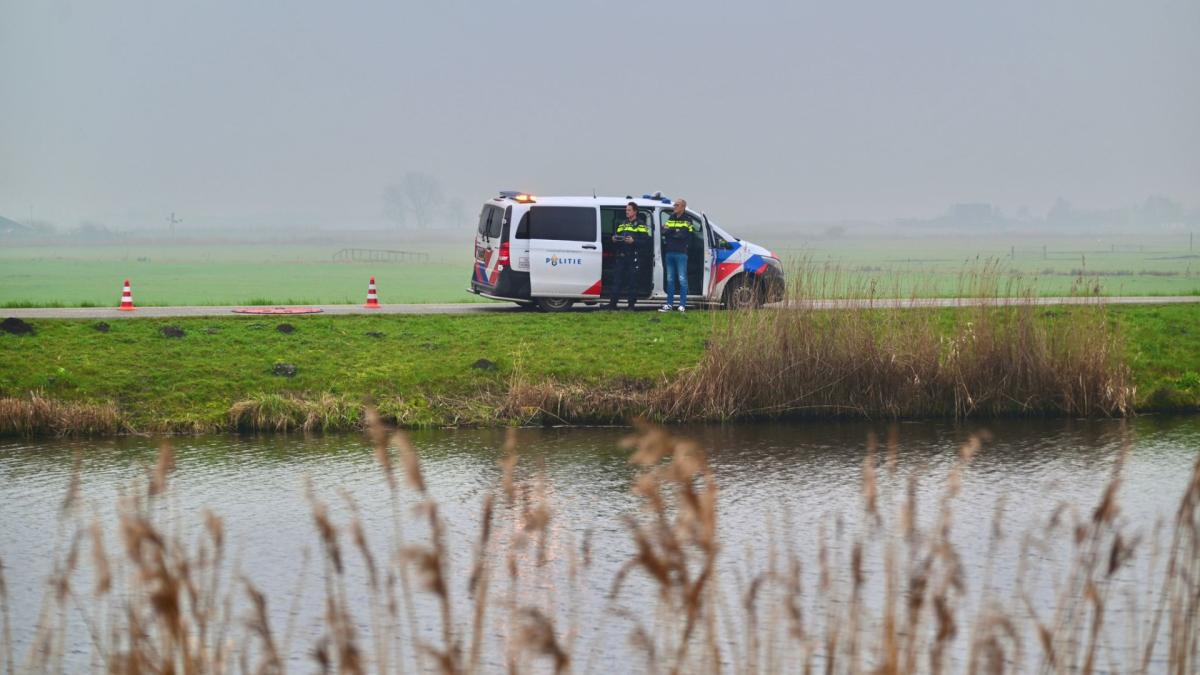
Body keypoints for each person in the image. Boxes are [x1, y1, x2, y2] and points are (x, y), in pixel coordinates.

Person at [609, 202, 650, 309]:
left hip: (633, 256)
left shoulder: (641, 224)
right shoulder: (623, 223)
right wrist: (614, 239)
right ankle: (612, 304)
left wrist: (634, 241)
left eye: (629, 210)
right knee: (617, 280)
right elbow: (617, 235)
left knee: (633, 282)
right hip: (622, 256)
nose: (627, 212)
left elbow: (645, 241)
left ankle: (631, 306)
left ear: (635, 211)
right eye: (626, 210)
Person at [660, 199, 694, 312]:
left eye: (677, 205)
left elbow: (684, 235)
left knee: (682, 279)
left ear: (683, 207)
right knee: (670, 279)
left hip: (681, 253)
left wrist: (671, 231)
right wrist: (675, 231)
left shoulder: (688, 220)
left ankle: (682, 305)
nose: (674, 206)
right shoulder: (671, 217)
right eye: (674, 204)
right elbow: (664, 231)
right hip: (669, 252)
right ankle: (669, 304)